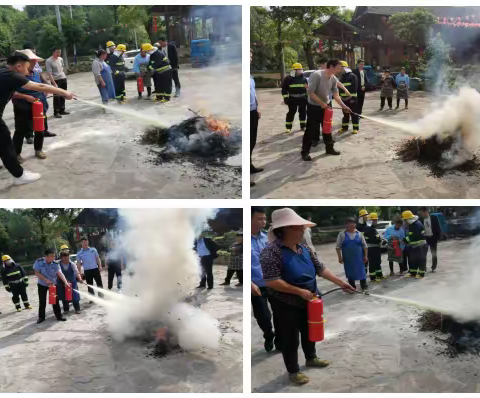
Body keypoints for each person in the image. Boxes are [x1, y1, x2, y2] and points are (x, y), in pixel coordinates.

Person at [261, 208, 355, 385]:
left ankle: (311, 357)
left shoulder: (303, 248)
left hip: (310, 299)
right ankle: (293, 371)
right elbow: (272, 281)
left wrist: (341, 283)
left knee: (310, 329)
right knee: (290, 337)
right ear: (286, 228)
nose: (303, 230)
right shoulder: (271, 252)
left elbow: (320, 268)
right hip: (285, 302)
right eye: (298, 227)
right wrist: (298, 291)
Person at [0, 52, 74, 185]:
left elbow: (13, 92)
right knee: (5, 142)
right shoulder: (12, 75)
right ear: (18, 66)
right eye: (26, 69)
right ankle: (19, 175)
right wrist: (63, 92)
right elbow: (39, 86)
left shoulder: (3, 72)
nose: (27, 72)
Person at [301, 59, 352, 161]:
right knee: (310, 131)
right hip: (314, 107)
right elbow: (310, 92)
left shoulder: (333, 78)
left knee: (327, 128)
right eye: (338, 68)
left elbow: (336, 95)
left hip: (326, 107)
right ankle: (305, 152)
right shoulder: (317, 75)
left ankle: (329, 148)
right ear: (331, 67)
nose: (339, 70)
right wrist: (322, 104)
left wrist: (344, 106)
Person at [251, 207, 280, 352]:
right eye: (259, 219)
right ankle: (269, 335)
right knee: (263, 316)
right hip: (256, 286)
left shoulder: (268, 238)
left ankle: (280, 340)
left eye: (264, 218)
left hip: (274, 283)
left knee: (281, 313)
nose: (264, 222)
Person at [33, 248, 70, 323]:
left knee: (55, 301)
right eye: (51, 256)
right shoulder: (39, 262)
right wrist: (46, 280)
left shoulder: (55, 263)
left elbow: (60, 273)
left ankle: (59, 316)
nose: (53, 258)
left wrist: (66, 282)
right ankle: (41, 317)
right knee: (42, 301)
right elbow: (36, 272)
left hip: (52, 285)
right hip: (42, 284)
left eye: (54, 256)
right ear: (46, 256)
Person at [336, 217, 368, 291]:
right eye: (350, 223)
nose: (353, 225)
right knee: (350, 272)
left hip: (359, 258)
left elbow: (365, 246)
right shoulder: (342, 234)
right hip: (348, 259)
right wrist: (340, 258)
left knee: (361, 271)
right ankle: (352, 286)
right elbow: (338, 247)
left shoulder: (359, 234)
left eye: (354, 223)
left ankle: (363, 284)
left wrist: (365, 256)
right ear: (346, 225)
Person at [282, 63, 308, 133]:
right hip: (292, 99)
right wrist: (285, 98)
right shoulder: (288, 79)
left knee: (303, 113)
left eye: (300, 69)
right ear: (294, 70)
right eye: (298, 70)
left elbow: (307, 89)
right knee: (291, 113)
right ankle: (288, 128)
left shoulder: (304, 79)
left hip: (302, 99)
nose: (300, 71)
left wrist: (307, 97)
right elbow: (284, 89)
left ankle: (303, 126)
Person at [250, 49, 263, 185]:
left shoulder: (250, 77)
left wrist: (256, 108)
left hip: (253, 112)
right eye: (249, 55)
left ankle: (250, 166)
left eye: (251, 55)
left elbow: (253, 94)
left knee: (252, 141)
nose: (251, 58)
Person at [402, 210, 427, 279]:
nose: (405, 222)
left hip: (420, 246)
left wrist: (405, 240)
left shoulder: (416, 225)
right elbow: (411, 236)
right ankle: (413, 272)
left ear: (408, 219)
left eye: (405, 220)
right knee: (413, 260)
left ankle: (421, 273)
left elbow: (413, 236)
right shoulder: (413, 224)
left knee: (421, 260)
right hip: (414, 246)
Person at [46, 47, 70, 118]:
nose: (59, 54)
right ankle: (56, 112)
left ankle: (62, 109)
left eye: (60, 52)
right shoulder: (49, 61)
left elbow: (62, 68)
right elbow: (49, 74)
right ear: (53, 52)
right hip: (55, 80)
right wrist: (54, 83)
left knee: (63, 94)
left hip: (63, 78)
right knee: (57, 96)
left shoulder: (61, 59)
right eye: (57, 52)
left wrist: (64, 76)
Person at [337, 61, 360, 134]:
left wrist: (351, 97)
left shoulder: (353, 76)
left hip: (351, 99)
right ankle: (344, 128)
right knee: (345, 114)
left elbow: (355, 88)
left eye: (340, 68)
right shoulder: (341, 77)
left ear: (344, 68)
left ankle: (355, 128)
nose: (339, 70)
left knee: (353, 114)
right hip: (343, 99)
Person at [419, 207, 441, 273]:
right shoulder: (420, 219)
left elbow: (438, 228)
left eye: (421, 212)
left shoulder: (434, 218)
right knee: (423, 254)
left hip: (433, 238)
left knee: (434, 254)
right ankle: (424, 268)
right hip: (425, 239)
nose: (421, 214)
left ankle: (433, 267)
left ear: (425, 211)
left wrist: (437, 238)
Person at [363, 213, 384, 282]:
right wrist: (381, 242)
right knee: (372, 263)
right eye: (375, 220)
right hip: (372, 249)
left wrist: (381, 240)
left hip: (375, 248)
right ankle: (373, 278)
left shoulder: (371, 228)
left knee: (377, 262)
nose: (376, 221)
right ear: (371, 220)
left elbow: (376, 237)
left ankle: (379, 275)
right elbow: (373, 239)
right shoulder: (369, 228)